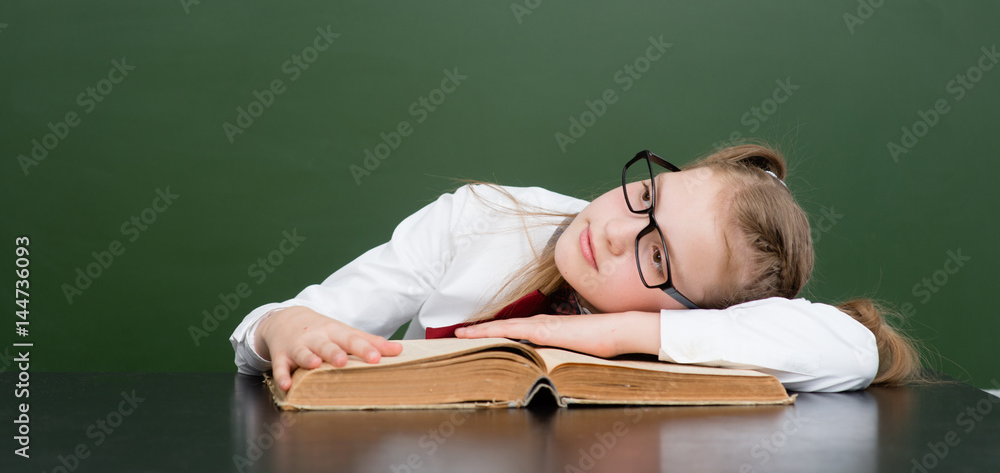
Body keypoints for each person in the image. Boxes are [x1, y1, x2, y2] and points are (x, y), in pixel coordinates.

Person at [230, 143, 922, 393]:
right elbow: (262, 330)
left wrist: (619, 333)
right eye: (644, 196)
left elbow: (855, 348)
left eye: (656, 256)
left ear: (697, 309)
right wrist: (285, 327)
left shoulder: (703, 333)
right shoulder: (482, 217)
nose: (615, 232)